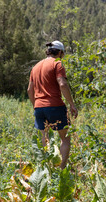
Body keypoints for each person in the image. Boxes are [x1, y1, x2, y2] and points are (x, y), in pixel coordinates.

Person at [27, 40, 78, 169]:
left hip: (38, 107)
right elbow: (62, 84)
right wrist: (72, 104)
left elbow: (29, 90)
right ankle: (61, 170)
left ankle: (45, 169)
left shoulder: (36, 67)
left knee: (43, 139)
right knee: (65, 138)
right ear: (60, 52)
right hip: (55, 105)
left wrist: (36, 105)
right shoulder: (57, 63)